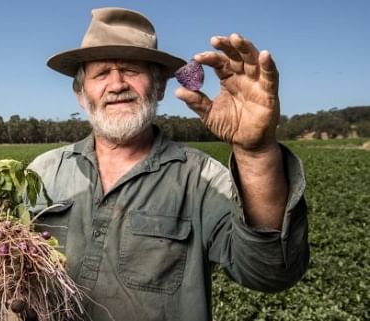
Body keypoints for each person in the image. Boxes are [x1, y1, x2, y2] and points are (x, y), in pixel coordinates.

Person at [28, 7, 309, 321]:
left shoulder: (201, 179)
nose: (117, 83)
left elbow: (269, 273)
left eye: (131, 70)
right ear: (81, 94)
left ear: (159, 86)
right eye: (101, 73)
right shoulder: (44, 171)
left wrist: (256, 154)